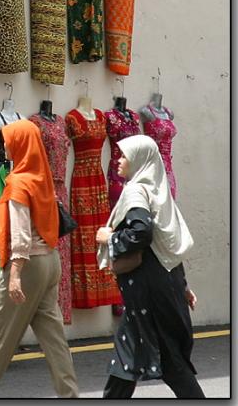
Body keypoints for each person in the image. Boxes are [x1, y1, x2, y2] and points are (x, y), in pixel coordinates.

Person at [0, 119, 79, 398]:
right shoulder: (42, 177)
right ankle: (70, 394)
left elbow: (21, 235)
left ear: (21, 144)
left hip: (27, 265)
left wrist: (14, 274)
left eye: (9, 141)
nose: (5, 146)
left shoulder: (18, 183)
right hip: (50, 261)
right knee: (54, 339)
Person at [95, 135, 204, 398]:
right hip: (161, 284)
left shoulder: (136, 190)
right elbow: (168, 243)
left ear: (139, 160)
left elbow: (141, 233)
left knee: (169, 360)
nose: (119, 160)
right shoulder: (158, 189)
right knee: (127, 358)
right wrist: (183, 286)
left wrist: (109, 238)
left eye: (124, 156)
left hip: (147, 291)